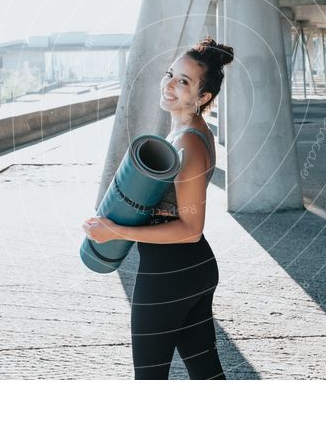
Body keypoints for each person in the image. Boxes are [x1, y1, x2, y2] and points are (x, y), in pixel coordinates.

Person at [82, 36, 234, 379]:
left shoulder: (188, 145)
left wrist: (116, 230)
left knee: (149, 379)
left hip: (172, 274)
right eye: (170, 74)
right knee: (207, 374)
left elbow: (191, 230)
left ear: (203, 97)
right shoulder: (185, 130)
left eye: (184, 81)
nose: (169, 84)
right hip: (185, 272)